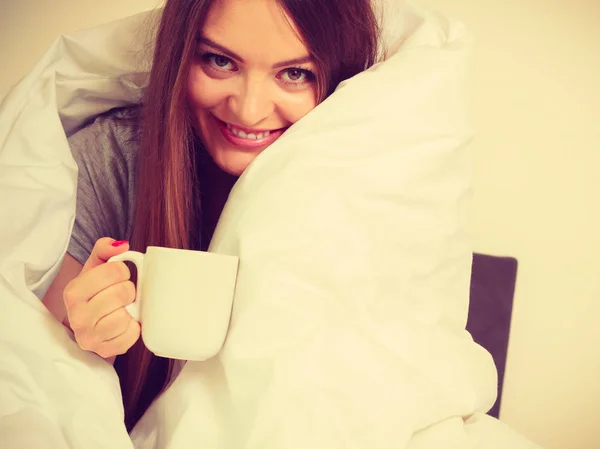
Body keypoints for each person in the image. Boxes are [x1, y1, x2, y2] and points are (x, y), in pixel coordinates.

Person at [42, 0, 379, 431]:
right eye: (220, 61)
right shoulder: (110, 160)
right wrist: (88, 348)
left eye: (295, 73)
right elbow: (39, 396)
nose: (249, 109)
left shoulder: (370, 192)